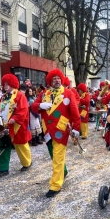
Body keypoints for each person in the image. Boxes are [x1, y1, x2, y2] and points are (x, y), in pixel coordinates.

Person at [31, 68, 80, 198]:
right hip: (47, 130)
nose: (57, 80)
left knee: (57, 158)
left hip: (61, 130)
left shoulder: (68, 93)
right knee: (54, 156)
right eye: (54, 79)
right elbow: (33, 107)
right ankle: (63, 171)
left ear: (61, 79)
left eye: (58, 78)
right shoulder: (43, 94)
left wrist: (76, 128)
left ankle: (55, 185)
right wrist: (40, 105)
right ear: (50, 81)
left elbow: (75, 112)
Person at [0, 74, 32, 178]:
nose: (5, 86)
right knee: (3, 147)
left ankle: (26, 163)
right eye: (4, 84)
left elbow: (23, 109)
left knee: (21, 145)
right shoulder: (2, 97)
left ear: (13, 84)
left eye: (7, 83)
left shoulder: (20, 95)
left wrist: (15, 119)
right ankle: (3, 169)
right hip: (4, 126)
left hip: (16, 126)